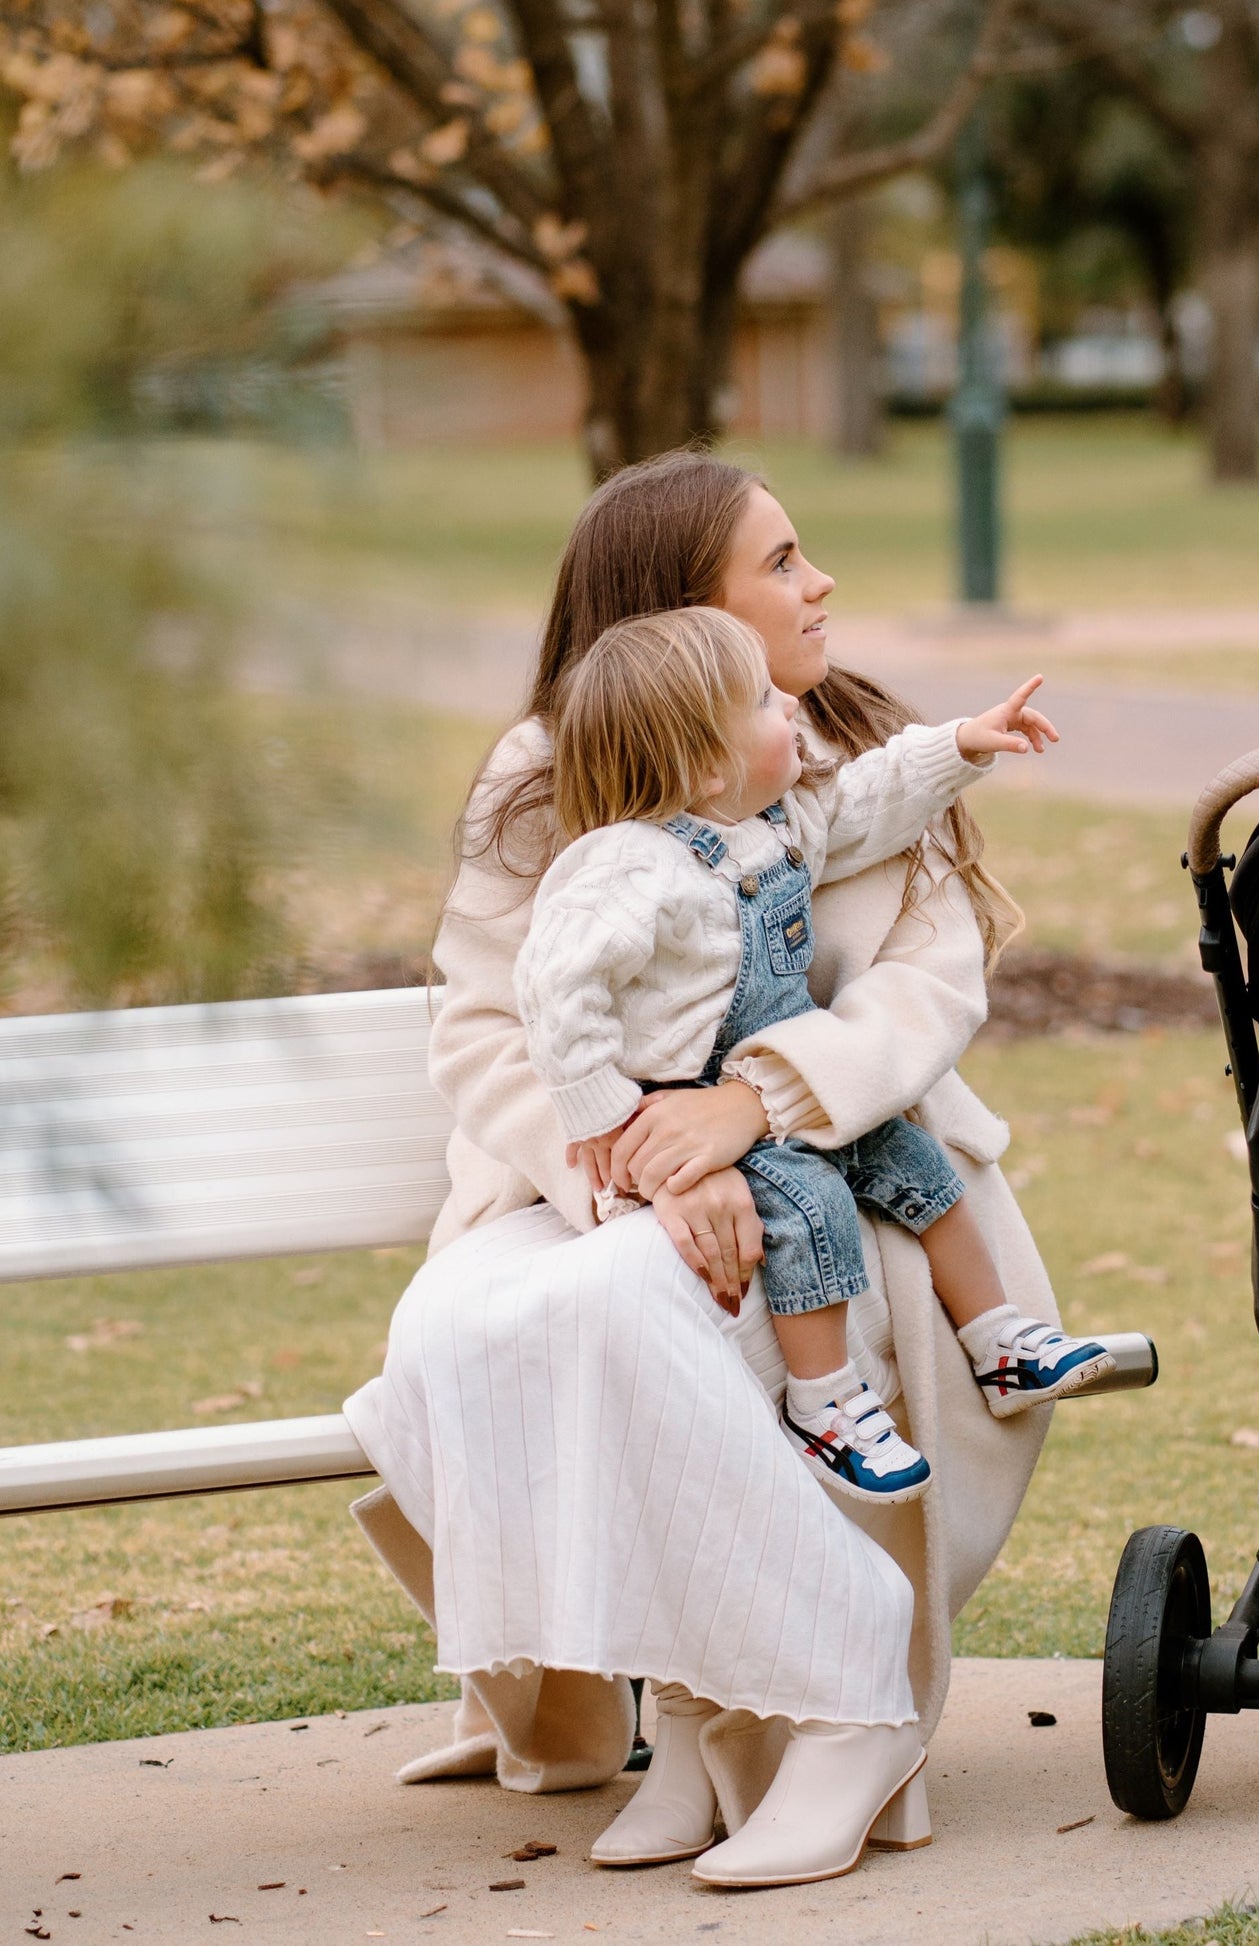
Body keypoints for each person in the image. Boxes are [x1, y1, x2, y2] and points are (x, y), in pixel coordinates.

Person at [343, 450, 1083, 1889]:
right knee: (453, 1324)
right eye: (784, 563)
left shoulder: (833, 752)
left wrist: (749, 1109)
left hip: (861, 1180)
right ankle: (687, 1706)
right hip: (591, 1181)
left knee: (644, 1309)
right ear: (687, 623)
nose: (821, 587)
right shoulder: (554, 774)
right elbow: (494, 1021)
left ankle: (836, 1700)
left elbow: (919, 1001)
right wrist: (637, 1163)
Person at [516, 609, 1112, 1503]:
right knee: (814, 1215)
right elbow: (554, 981)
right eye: (761, 701)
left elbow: (869, 802)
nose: (789, 705)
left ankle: (999, 1342)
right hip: (696, 1114)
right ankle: (826, 1403)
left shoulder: (780, 820)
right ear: (706, 763)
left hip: (773, 1093)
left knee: (924, 1166)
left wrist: (962, 745)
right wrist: (603, 1109)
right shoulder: (632, 867)